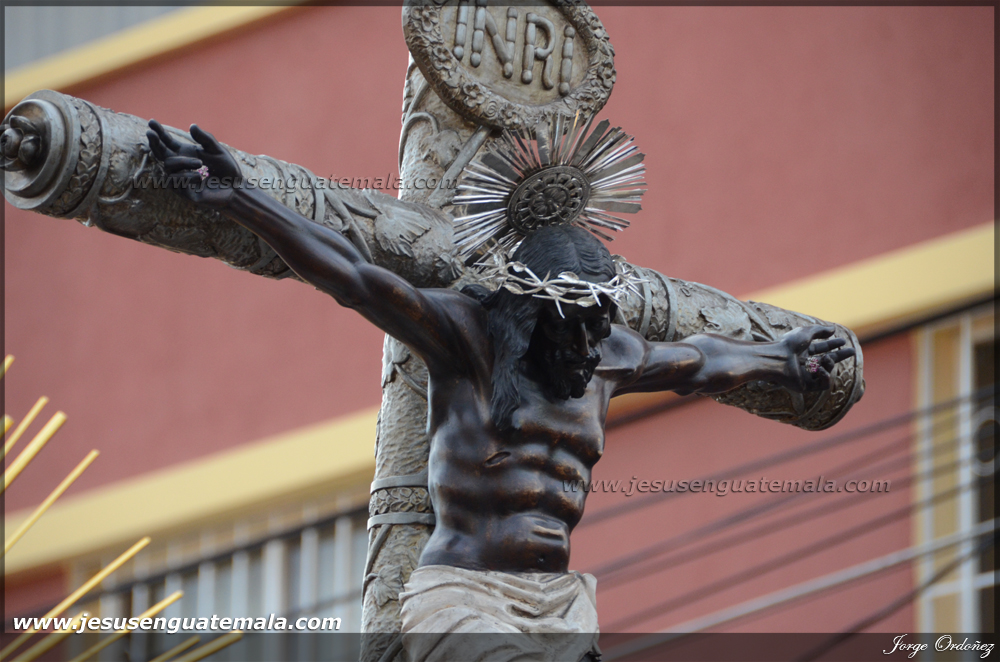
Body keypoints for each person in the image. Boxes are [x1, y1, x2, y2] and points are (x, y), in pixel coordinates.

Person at [147, 121, 855, 662]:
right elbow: (356, 277)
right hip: (465, 599)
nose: (587, 347)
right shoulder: (468, 339)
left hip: (560, 608)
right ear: (528, 311)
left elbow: (703, 360)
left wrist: (783, 359)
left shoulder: (608, 355)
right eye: (571, 328)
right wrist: (241, 198)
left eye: (598, 326)